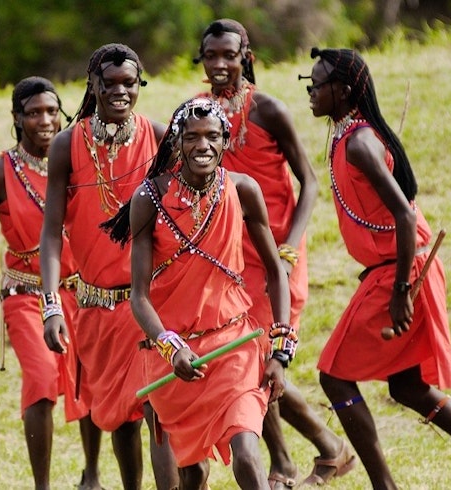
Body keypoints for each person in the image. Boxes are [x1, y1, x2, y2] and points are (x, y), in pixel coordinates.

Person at [304, 47, 451, 489]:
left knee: (334, 377)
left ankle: (385, 486)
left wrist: (399, 291)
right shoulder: (347, 137)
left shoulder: (359, 142)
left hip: (401, 272)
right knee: (408, 387)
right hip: (393, 268)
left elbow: (405, 216)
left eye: (316, 85)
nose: (310, 92)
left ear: (343, 90)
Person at [194, 19, 354, 489]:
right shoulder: (198, 112)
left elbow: (310, 181)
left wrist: (289, 248)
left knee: (256, 355)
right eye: (211, 56)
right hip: (226, 256)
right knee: (242, 358)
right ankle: (305, 456)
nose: (220, 65)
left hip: (276, 257)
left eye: (229, 55)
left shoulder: (270, 109)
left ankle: (316, 452)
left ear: (247, 56)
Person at [102, 96, 294, 490]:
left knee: (245, 450)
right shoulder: (148, 199)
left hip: (233, 345)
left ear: (225, 141)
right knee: (192, 474)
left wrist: (280, 350)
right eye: (192, 137)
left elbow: (276, 271)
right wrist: (170, 346)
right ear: (176, 143)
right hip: (175, 356)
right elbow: (139, 296)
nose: (202, 145)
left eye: (212, 136)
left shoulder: (243, 190)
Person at [39, 44, 177, 490]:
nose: (120, 91)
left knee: (159, 407)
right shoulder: (67, 144)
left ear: (141, 85)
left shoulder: (159, 136)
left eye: (129, 83)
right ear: (92, 85)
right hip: (96, 309)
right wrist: (51, 306)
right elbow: (51, 232)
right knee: (120, 418)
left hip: (152, 304)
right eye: (110, 83)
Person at [0, 76, 104, 490]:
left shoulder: (79, 163)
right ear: (17, 118)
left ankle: (91, 475)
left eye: (51, 111)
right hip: (25, 295)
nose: (44, 120)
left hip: (81, 292)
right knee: (40, 381)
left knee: (87, 382)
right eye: (34, 112)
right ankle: (42, 486)